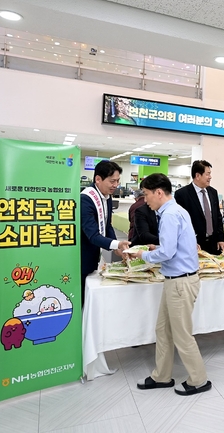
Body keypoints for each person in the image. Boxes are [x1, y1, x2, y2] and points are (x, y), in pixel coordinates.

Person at [122, 173, 212, 396]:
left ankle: (199, 380)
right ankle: (161, 376)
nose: (145, 200)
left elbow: (169, 252)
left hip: (180, 282)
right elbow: (174, 246)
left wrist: (144, 254)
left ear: (159, 192)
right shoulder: (176, 211)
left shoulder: (170, 214)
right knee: (163, 330)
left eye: (146, 195)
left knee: (182, 334)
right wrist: (157, 250)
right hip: (175, 280)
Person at [80, 160, 124, 303]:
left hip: (95, 255)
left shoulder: (106, 196)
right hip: (82, 256)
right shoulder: (86, 199)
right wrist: (117, 244)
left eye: (117, 181)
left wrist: (116, 247)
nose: (115, 185)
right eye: (112, 181)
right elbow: (93, 235)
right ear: (98, 179)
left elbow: (107, 225)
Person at [174, 160, 224, 255]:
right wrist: (188, 241)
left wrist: (221, 238)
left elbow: (218, 217)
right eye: (207, 174)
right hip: (194, 243)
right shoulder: (182, 194)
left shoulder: (213, 192)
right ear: (197, 176)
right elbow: (180, 222)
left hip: (213, 243)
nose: (210, 177)